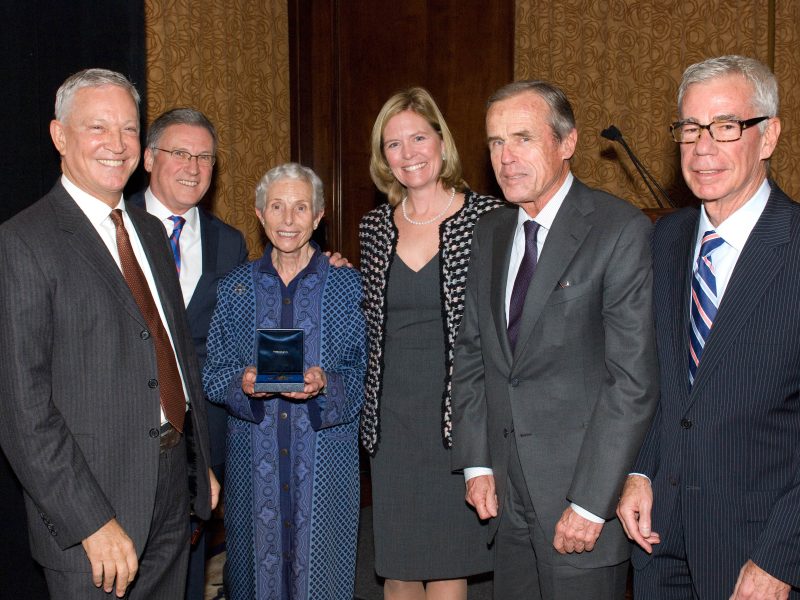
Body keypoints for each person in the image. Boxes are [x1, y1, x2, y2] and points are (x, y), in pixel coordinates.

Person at [0, 68, 217, 599]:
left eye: (127, 129)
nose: (117, 145)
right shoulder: (24, 242)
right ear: (59, 136)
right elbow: (22, 411)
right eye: (99, 128)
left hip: (171, 490)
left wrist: (198, 463)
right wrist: (91, 521)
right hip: (93, 509)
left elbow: (177, 354)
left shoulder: (146, 227)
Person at [450, 80, 659, 599]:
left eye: (522, 138)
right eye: (495, 143)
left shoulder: (618, 229)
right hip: (505, 498)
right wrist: (477, 463)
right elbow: (474, 354)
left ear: (567, 144)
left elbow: (630, 381)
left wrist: (591, 503)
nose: (506, 157)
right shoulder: (490, 232)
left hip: (580, 500)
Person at [617, 55, 799, 599]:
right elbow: (662, 383)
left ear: (767, 137)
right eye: (690, 128)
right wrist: (642, 472)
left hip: (759, 551)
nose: (702, 148)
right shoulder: (666, 240)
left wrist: (781, 557)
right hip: (659, 541)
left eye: (725, 127)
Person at [359, 87, 502, 599]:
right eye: (393, 144)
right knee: (396, 566)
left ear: (441, 142)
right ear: (383, 157)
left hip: (457, 418)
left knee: (446, 566)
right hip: (391, 419)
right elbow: (368, 317)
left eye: (418, 137)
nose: (408, 153)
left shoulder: (488, 218)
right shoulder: (374, 228)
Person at [203, 162, 366, 600]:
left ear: (318, 217)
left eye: (301, 208)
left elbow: (367, 375)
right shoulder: (235, 288)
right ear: (259, 214)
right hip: (251, 463)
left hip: (326, 465)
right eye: (277, 206)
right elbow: (213, 371)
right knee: (256, 578)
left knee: (323, 579)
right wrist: (244, 382)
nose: (289, 219)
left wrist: (324, 383)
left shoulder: (349, 286)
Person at [128, 107, 248, 599]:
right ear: (150, 157)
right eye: (180, 153)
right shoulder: (116, 227)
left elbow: (240, 334)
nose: (193, 167)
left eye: (205, 157)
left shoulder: (230, 243)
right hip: (129, 435)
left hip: (202, 442)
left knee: (189, 568)